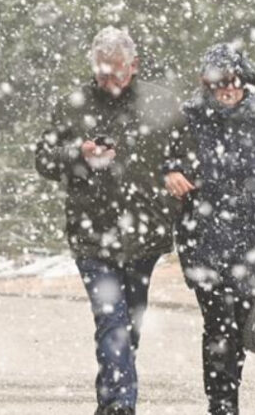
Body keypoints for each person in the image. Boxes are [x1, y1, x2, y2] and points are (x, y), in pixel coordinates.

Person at [34, 27, 182, 415]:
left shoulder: (161, 104)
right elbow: (44, 161)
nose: (110, 82)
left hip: (145, 235)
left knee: (127, 327)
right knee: (110, 319)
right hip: (91, 234)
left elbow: (184, 157)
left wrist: (173, 175)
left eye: (117, 73)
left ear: (133, 66)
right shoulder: (74, 105)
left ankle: (110, 400)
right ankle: (120, 405)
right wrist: (77, 153)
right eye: (102, 74)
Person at [163, 43, 255, 415]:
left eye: (234, 81)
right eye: (218, 83)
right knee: (218, 324)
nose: (227, 89)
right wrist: (171, 174)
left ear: (246, 81)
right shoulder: (188, 116)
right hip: (203, 235)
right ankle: (222, 405)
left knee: (241, 324)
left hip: (254, 236)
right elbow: (166, 162)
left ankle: (227, 395)